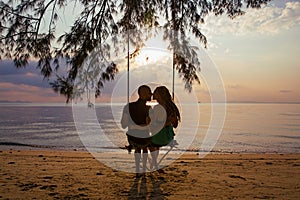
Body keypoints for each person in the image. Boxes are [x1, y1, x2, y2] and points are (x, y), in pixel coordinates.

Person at [121, 85, 152, 174]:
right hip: (144, 140)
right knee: (145, 143)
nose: (151, 96)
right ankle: (143, 170)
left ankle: (138, 169)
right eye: (149, 94)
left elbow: (123, 125)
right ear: (144, 95)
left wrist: (132, 124)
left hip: (132, 139)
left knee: (138, 146)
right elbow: (152, 126)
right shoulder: (149, 108)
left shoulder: (128, 106)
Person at [149, 86, 180, 170]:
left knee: (149, 142)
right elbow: (175, 125)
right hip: (169, 137)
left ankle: (154, 163)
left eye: (155, 92)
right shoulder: (172, 108)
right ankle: (154, 162)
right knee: (155, 142)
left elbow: (155, 126)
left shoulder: (157, 108)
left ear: (159, 95)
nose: (153, 94)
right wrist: (169, 121)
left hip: (160, 138)